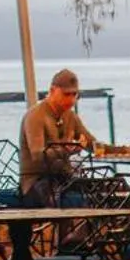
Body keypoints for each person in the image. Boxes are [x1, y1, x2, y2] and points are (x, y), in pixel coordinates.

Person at [19, 69, 95, 198]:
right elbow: (38, 155)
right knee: (71, 199)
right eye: (66, 94)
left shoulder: (70, 116)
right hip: (36, 182)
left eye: (74, 95)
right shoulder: (35, 116)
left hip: (64, 178)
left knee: (106, 191)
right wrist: (65, 149)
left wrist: (123, 151)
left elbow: (92, 143)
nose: (71, 100)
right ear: (52, 90)